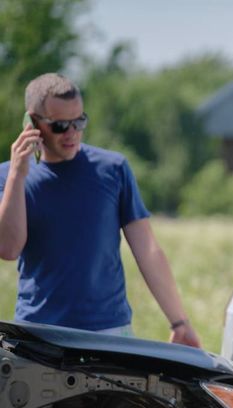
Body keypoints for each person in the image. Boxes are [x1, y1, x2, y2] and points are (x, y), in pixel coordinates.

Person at [0, 73, 201, 347]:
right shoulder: (8, 177)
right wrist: (17, 175)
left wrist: (180, 322)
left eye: (79, 121)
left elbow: (148, 250)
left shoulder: (113, 168)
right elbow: (8, 249)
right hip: (39, 336)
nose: (72, 133)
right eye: (59, 125)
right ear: (32, 123)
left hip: (110, 332)